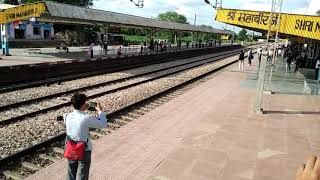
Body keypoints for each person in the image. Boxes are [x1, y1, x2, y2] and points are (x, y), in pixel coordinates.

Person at [64, 93, 107, 180]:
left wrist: (82, 109)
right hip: (84, 149)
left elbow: (68, 118)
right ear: (83, 104)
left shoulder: (67, 116)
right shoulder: (86, 117)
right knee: (82, 174)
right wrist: (100, 111)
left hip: (70, 148)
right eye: (85, 102)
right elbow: (103, 124)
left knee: (71, 172)